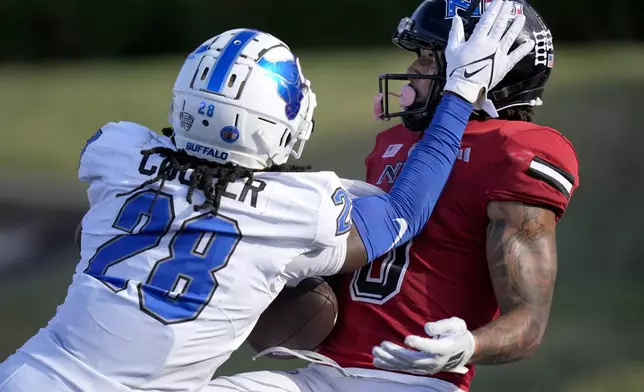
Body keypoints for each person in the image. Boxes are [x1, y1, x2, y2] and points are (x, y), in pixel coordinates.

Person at [0, 10, 523, 391]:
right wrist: (458, 94)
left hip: (27, 373)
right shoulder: (296, 209)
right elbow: (403, 211)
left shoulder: (116, 150)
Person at [207, 1, 578, 392]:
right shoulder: (398, 141)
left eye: (428, 58)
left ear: (490, 73)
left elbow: (529, 322)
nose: (414, 70)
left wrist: (469, 345)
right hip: (320, 372)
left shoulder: (513, 152)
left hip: (411, 380)